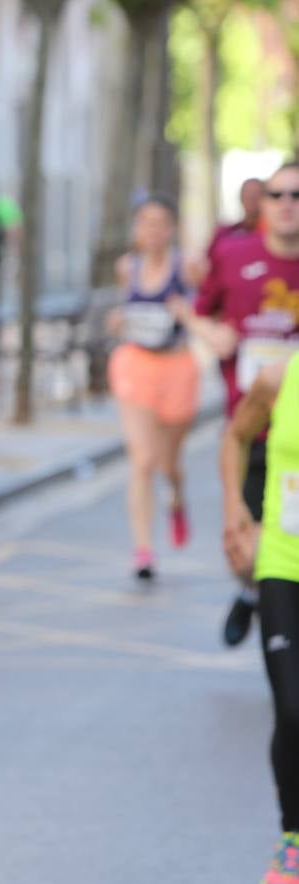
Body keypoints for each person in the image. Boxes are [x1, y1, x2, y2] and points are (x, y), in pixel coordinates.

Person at [191, 163, 299, 648]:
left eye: (296, 195)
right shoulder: (234, 255)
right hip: (253, 425)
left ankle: (261, 601)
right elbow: (200, 312)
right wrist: (213, 332)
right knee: (248, 548)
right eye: (276, 194)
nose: (286, 204)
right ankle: (254, 594)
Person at [219, 354, 299, 884]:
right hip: (283, 563)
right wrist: (236, 513)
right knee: (293, 708)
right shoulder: (279, 376)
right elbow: (234, 439)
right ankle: (293, 837)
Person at [104, 195, 198, 580]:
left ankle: (176, 497)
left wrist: (186, 313)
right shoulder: (127, 267)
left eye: (160, 223)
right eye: (145, 223)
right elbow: (124, 310)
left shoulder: (188, 267)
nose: (153, 231)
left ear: (171, 229)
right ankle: (143, 550)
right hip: (135, 365)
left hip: (176, 368)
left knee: (168, 463)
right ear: (137, 229)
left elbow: (204, 310)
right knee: (142, 460)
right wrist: (117, 320)